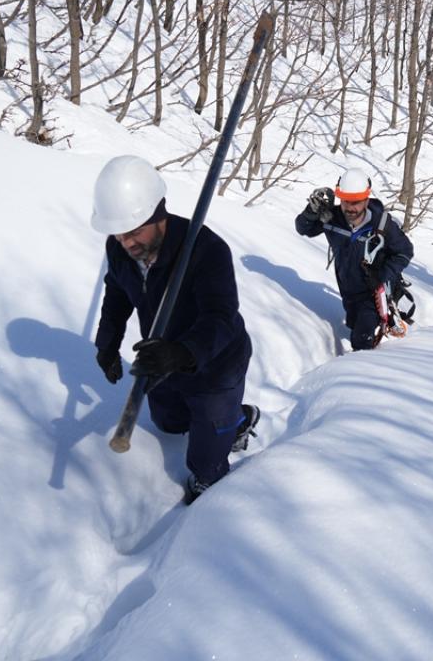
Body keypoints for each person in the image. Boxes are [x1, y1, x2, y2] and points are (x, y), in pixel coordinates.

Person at [90, 155, 260, 505]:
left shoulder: (206, 249)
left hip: (216, 364)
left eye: (134, 232)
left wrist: (183, 353)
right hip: (161, 355)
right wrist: (107, 344)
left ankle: (233, 425)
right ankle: (226, 419)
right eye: (118, 234)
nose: (126, 243)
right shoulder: (120, 249)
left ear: (159, 213)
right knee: (169, 422)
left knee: (206, 462)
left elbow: (221, 316)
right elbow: (117, 292)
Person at [295, 167, 414, 350]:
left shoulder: (382, 224)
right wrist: (311, 212)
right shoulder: (332, 219)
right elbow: (304, 229)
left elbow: (405, 251)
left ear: (366, 200)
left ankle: (368, 362)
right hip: (348, 290)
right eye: (346, 201)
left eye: (356, 202)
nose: (350, 208)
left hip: (375, 293)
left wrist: (381, 276)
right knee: (353, 324)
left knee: (361, 339)